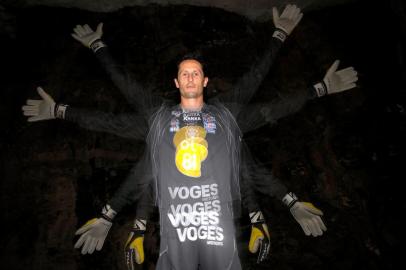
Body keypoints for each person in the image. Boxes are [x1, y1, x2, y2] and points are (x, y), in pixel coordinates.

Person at [22, 4, 357, 269]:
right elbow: (117, 110)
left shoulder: (226, 115)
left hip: (220, 234)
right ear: (177, 83)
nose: (191, 77)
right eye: (185, 73)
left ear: (205, 81)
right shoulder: (159, 117)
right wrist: (67, 97)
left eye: (196, 72)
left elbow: (266, 95)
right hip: (174, 234)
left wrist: (293, 54)